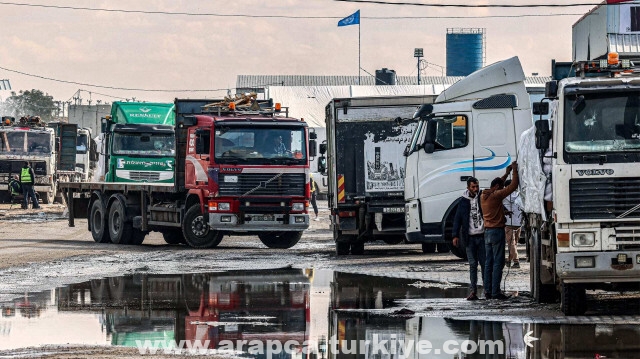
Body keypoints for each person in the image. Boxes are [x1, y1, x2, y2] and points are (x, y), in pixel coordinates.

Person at [480, 162, 519, 300]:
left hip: (487, 233)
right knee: (498, 262)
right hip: (497, 232)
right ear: (496, 188)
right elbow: (513, 186)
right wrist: (514, 171)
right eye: (499, 188)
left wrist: (506, 173)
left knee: (488, 262)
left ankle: (488, 291)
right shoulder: (496, 195)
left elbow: (498, 184)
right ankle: (496, 292)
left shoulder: (484, 194)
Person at [452, 177, 487, 300]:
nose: (475, 189)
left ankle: (487, 290)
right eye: (473, 187)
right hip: (469, 238)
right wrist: (455, 235)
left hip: (482, 236)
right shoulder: (463, 201)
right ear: (468, 187)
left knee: (484, 264)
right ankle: (473, 291)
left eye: (477, 186)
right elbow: (458, 219)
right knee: (473, 265)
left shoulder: (482, 197)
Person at [503, 179, 523, 269]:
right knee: (514, 243)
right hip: (519, 222)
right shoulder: (519, 195)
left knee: (511, 243)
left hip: (508, 222)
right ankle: (509, 259)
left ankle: (516, 261)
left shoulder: (503, 196)